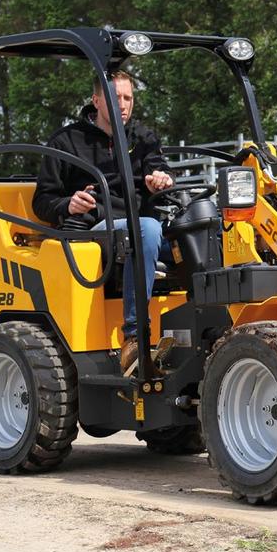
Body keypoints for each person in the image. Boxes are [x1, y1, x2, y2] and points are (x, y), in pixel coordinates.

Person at [32, 70, 174, 372]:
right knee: (145, 229)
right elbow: (42, 201)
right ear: (96, 100)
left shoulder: (143, 137)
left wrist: (160, 180)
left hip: (141, 227)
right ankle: (135, 337)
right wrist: (68, 204)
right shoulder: (67, 142)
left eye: (128, 98)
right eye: (115, 98)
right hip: (96, 230)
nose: (123, 104)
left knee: (207, 231)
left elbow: (158, 169)